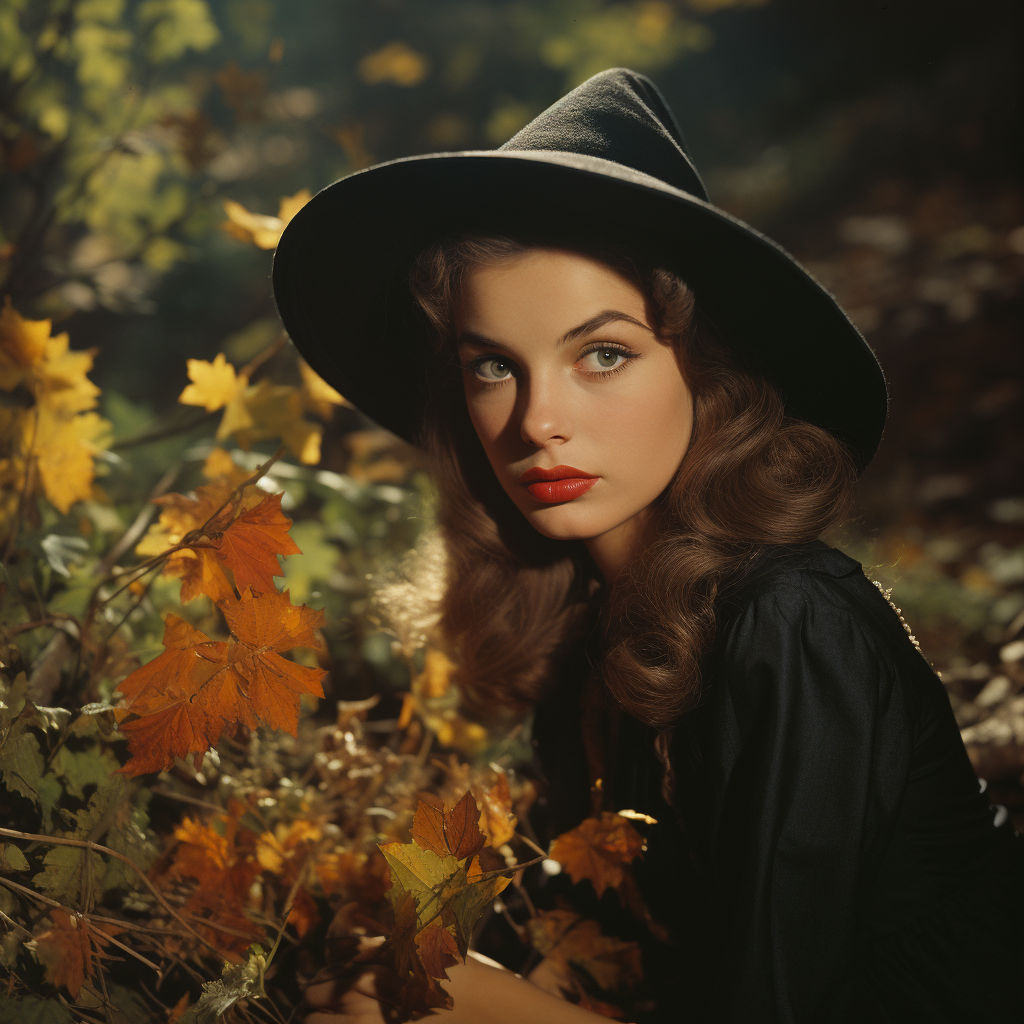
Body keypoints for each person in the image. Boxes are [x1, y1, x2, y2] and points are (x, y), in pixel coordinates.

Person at [273, 69, 1024, 1023]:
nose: (539, 422)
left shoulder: (794, 618)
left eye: (604, 354)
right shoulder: (588, 639)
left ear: (704, 370)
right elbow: (611, 951)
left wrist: (494, 1012)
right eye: (495, 366)